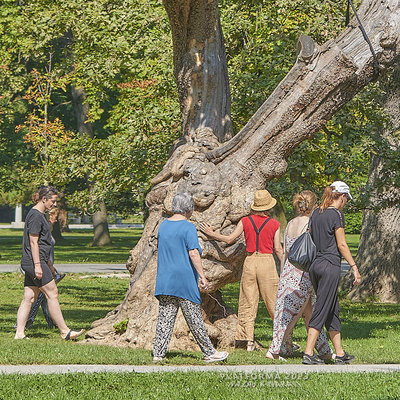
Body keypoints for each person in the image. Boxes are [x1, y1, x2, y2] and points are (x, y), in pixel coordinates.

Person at [200, 189, 283, 352]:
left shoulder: (246, 221)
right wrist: (286, 267)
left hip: (250, 261)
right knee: (273, 301)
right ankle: (281, 338)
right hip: (267, 262)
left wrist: (211, 234)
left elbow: (230, 239)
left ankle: (248, 341)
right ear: (268, 207)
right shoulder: (275, 224)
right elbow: (278, 249)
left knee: (247, 301)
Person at [153, 192, 229, 363]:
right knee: (194, 319)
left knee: (165, 318)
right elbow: (193, 253)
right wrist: (202, 276)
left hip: (165, 279)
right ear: (188, 209)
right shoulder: (188, 227)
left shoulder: (163, 226)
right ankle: (209, 352)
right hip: (184, 280)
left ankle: (158, 354)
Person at [266, 191, 333, 361]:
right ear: (314, 204)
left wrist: (282, 273)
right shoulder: (311, 223)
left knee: (308, 312)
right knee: (292, 315)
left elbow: (286, 252)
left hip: (289, 270)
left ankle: (323, 349)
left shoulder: (290, 224)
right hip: (304, 273)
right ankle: (274, 350)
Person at [302, 181, 361, 365]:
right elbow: (342, 244)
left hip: (315, 266)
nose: (345, 202)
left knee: (332, 309)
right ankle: (308, 352)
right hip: (329, 265)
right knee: (322, 308)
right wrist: (354, 267)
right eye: (346, 199)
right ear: (342, 197)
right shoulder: (336, 214)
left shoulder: (316, 213)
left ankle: (340, 353)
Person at [15, 185, 84, 340]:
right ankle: (64, 331)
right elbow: (33, 242)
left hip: (35, 261)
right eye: (52, 201)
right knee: (52, 293)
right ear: (44, 199)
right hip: (34, 262)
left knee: (29, 297)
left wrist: (49, 265)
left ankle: (19, 333)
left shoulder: (39, 215)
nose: (54, 204)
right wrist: (38, 266)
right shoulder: (35, 216)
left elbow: (44, 244)